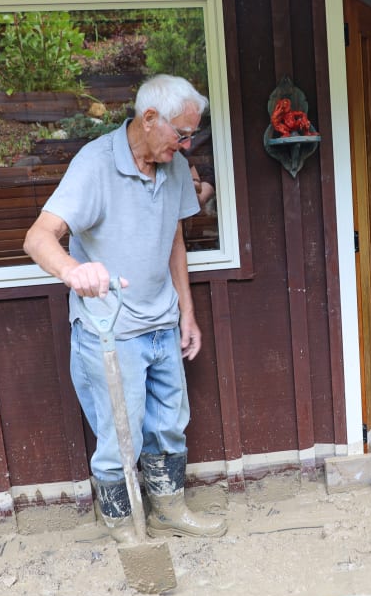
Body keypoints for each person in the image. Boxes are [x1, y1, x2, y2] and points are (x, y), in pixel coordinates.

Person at [23, 74, 226, 542]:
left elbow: (174, 238)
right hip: (111, 330)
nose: (187, 144)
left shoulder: (172, 165)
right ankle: (121, 524)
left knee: (169, 425)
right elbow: (38, 237)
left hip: (161, 321)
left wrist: (186, 313)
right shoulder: (94, 164)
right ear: (149, 118)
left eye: (191, 135)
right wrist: (73, 271)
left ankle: (168, 510)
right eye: (181, 133)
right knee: (120, 435)